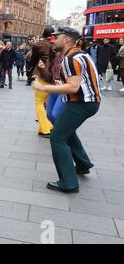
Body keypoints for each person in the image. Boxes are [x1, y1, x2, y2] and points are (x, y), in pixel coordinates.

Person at [32, 27, 101, 194]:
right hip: (86, 102)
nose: (53, 40)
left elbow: (73, 87)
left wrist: (43, 86)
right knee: (66, 132)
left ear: (67, 40)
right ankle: (83, 164)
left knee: (57, 137)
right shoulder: (81, 55)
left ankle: (68, 183)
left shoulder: (70, 59)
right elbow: (77, 82)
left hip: (82, 103)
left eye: (57, 38)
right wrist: (58, 84)